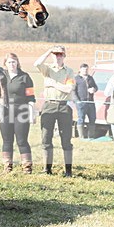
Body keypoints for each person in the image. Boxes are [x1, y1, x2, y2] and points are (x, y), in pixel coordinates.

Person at [34, 45, 75, 177]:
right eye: (55, 54)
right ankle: (47, 168)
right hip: (49, 105)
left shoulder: (69, 71)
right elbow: (37, 63)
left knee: (66, 139)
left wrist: (52, 84)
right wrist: (48, 51)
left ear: (64, 56)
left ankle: (68, 171)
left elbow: (69, 89)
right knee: (46, 138)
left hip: (64, 106)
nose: (58, 56)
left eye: (60, 54)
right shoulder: (48, 69)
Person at [0, 52, 36, 174]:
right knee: (7, 140)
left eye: (14, 62)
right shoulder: (1, 76)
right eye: (9, 62)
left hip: (22, 113)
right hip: (5, 113)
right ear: (5, 64)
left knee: (22, 140)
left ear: (17, 63)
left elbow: (31, 97)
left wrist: (32, 112)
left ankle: (27, 167)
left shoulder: (25, 77)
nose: (11, 64)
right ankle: (7, 167)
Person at [74, 63, 98, 139]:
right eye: (84, 69)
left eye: (87, 69)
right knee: (81, 118)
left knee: (92, 118)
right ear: (80, 69)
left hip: (90, 102)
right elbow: (73, 91)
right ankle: (81, 136)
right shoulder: (76, 79)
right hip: (81, 102)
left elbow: (96, 87)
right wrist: (77, 101)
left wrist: (94, 89)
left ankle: (91, 136)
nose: (85, 70)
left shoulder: (90, 78)